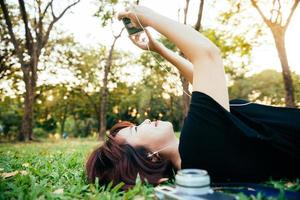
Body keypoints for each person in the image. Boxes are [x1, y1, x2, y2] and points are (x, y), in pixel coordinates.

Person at [86, 5, 300, 189]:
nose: (145, 120)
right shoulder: (195, 148)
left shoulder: (196, 156)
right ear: (148, 157)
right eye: (135, 129)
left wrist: (158, 49)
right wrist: (148, 17)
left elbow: (202, 80)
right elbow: (208, 54)